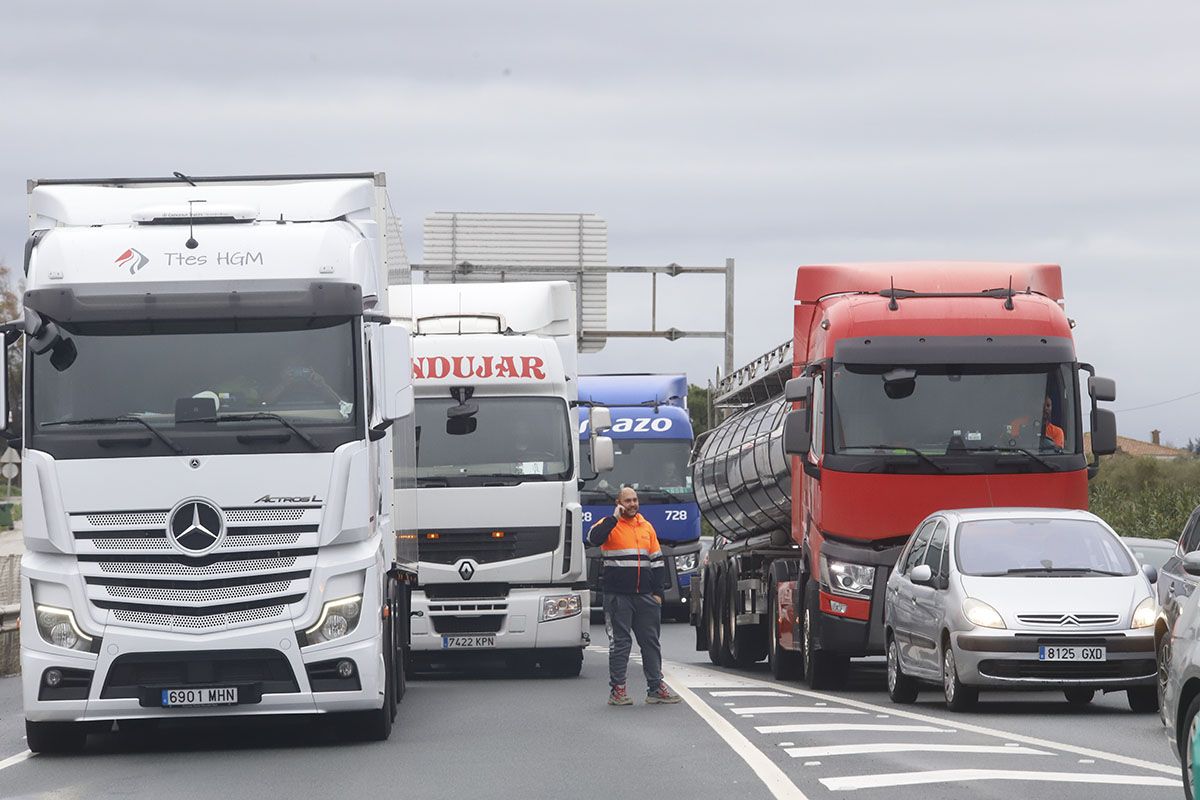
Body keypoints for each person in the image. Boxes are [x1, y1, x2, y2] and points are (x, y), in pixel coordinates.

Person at [587, 486, 682, 706]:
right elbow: (593, 539)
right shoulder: (608, 524)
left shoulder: (646, 527)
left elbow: (657, 562)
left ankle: (655, 688)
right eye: (627, 501)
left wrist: (658, 594)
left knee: (650, 643)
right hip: (618, 597)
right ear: (619, 503)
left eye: (635, 500)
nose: (632, 504)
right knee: (621, 643)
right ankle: (618, 691)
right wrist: (613, 519)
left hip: (645, 597)